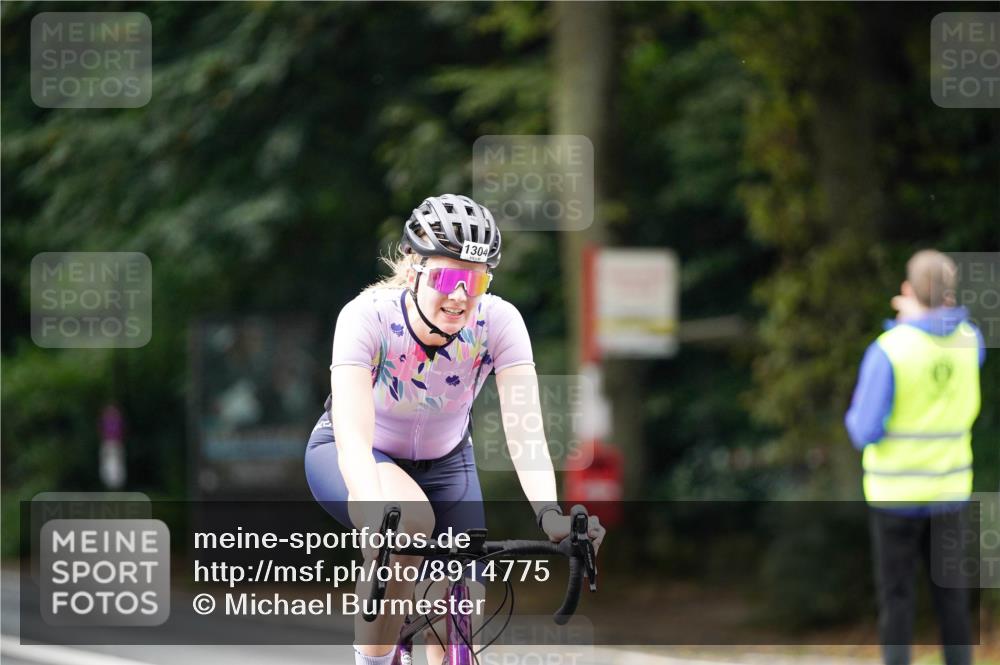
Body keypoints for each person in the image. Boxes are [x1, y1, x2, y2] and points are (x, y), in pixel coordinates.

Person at [305, 194, 605, 665]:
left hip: (448, 467)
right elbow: (355, 440)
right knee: (407, 523)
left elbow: (525, 431)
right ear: (413, 268)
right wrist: (374, 512)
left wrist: (550, 514)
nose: (462, 295)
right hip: (356, 456)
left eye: (476, 278)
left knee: (458, 615)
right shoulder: (367, 318)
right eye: (447, 276)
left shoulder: (498, 322)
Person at [845, 249, 986, 665]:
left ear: (907, 290)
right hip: (950, 490)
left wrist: (907, 322)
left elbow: (862, 429)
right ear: (949, 292)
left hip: (896, 495)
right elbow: (946, 340)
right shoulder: (971, 340)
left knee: (897, 599)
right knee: (953, 601)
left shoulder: (890, 349)